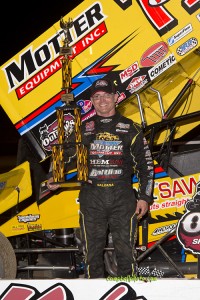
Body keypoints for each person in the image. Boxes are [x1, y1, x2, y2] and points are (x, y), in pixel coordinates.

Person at [47, 78, 154, 278]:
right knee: (91, 255)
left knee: (126, 254)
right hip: (92, 197)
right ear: (91, 102)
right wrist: (54, 177)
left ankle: (127, 293)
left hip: (122, 197)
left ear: (116, 97)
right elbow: (65, 156)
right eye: (97, 96)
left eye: (106, 95)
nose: (102, 100)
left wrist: (144, 198)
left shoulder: (131, 128)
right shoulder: (83, 129)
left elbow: (146, 166)